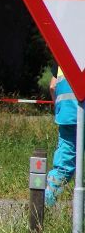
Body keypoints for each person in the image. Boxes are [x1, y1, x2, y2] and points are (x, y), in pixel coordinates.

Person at [45, 64, 78, 207]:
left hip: (67, 116)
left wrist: (60, 109)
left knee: (63, 165)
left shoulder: (63, 57)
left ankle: (46, 203)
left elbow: (52, 87)